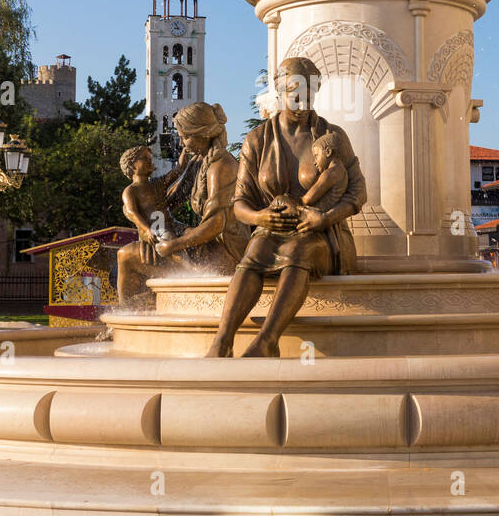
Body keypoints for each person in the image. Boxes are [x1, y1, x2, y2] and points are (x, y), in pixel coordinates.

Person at [206, 57, 366, 358]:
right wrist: (259, 216)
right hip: (272, 229)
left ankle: (267, 341)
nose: (301, 99)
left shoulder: (332, 136)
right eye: (294, 90)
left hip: (324, 234)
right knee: (255, 252)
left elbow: (358, 191)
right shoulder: (258, 139)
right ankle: (222, 341)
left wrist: (324, 218)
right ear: (280, 90)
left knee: (298, 250)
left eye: (309, 92)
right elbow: (238, 203)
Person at [116, 102, 248, 305]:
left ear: (203, 133)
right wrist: (147, 232)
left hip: (225, 254)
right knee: (137, 252)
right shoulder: (200, 161)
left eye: (185, 137)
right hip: (206, 245)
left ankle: (131, 316)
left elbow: (215, 224)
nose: (182, 144)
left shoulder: (221, 166)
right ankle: (145, 313)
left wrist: (173, 245)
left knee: (125, 257)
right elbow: (165, 202)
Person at [119, 145, 185, 245]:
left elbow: (179, 169)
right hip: (156, 228)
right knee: (172, 242)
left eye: (150, 159)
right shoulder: (130, 191)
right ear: (132, 165)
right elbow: (132, 212)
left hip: (173, 224)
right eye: (145, 158)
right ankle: (186, 261)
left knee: (195, 234)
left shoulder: (158, 183)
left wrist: (186, 148)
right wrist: (147, 230)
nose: (150, 161)